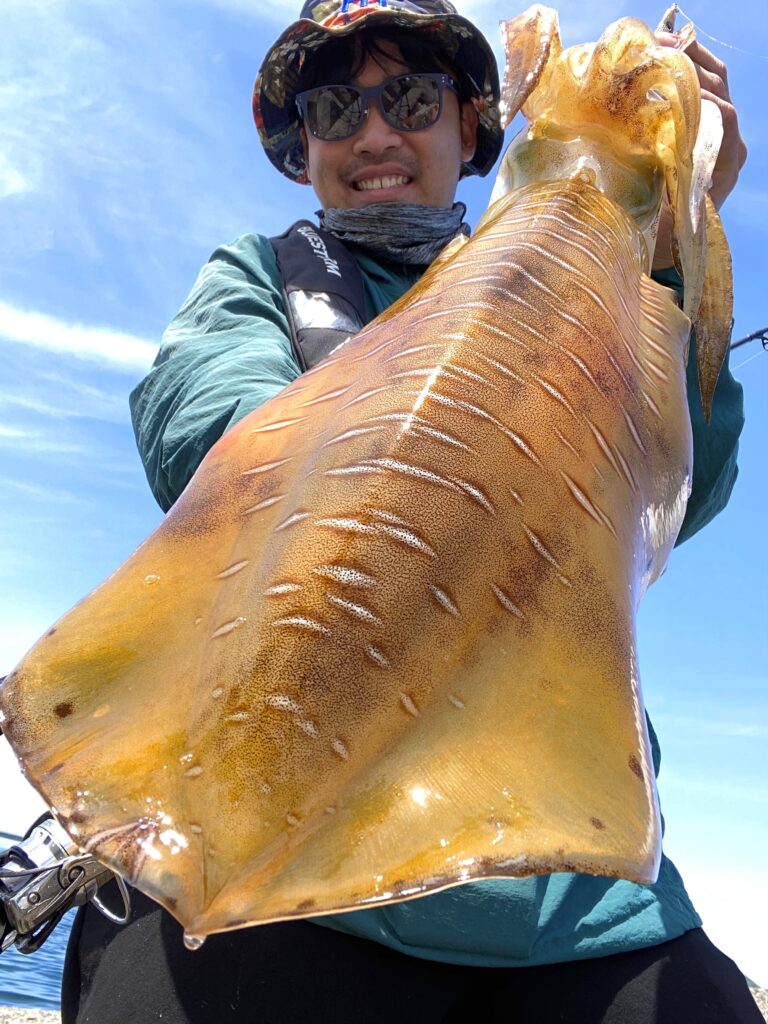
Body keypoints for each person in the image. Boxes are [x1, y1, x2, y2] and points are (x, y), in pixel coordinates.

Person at [61, 2, 756, 1021]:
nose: (376, 134)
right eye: (336, 110)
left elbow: (677, 491)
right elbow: (205, 419)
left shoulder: (608, 278)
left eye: (413, 100)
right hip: (275, 845)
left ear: (472, 125)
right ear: (304, 148)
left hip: (571, 896)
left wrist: (663, 240)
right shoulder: (260, 276)